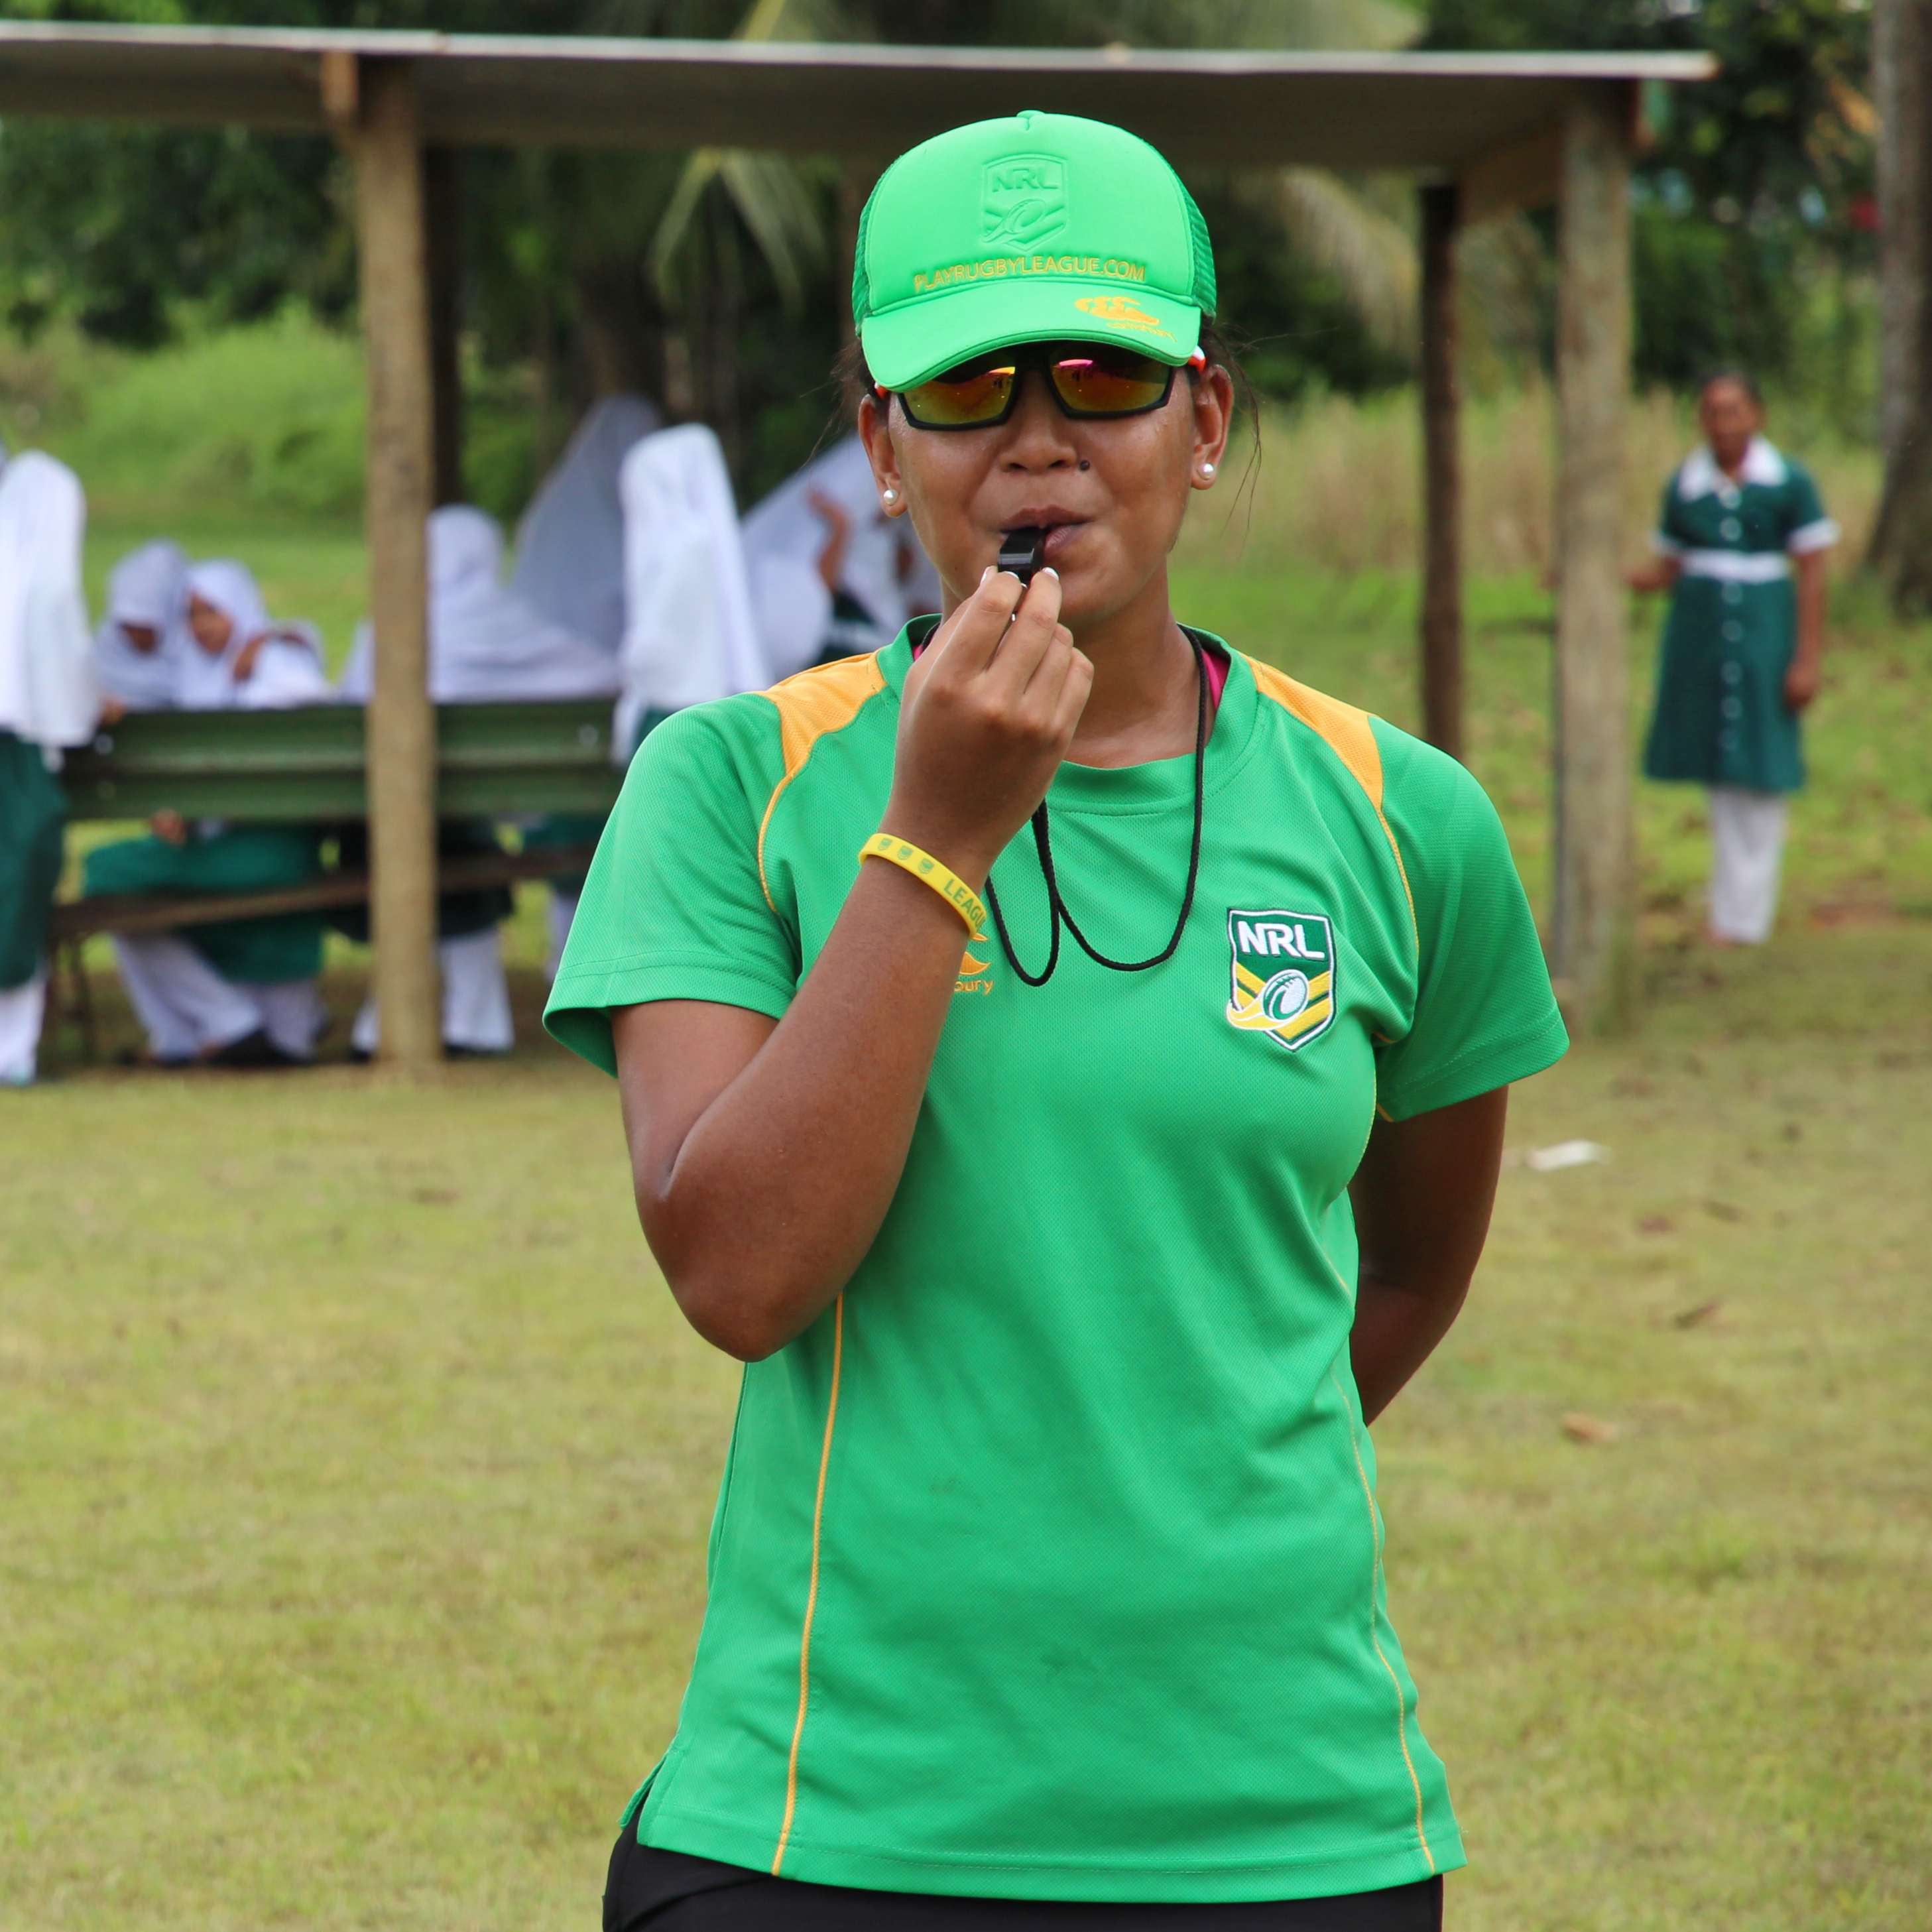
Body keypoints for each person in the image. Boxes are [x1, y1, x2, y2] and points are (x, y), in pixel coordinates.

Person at [549, 112, 1569, 1930]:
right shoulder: (734, 785)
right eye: (967, 383)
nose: (1037, 435)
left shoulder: (1403, 820)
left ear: (1204, 417)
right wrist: (935, 838)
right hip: (836, 1829)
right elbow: (738, 1270)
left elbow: (1406, 1271)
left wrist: (1174, 1497)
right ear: (880, 445)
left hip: (1295, 1829)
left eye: (1101, 371)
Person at [86, 558, 331, 1067]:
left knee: (107, 874)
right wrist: (185, 809)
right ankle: (191, 1034)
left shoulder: (275, 664)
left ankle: (223, 1025)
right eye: (192, 615)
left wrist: (271, 643)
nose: (203, 627)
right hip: (221, 841)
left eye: (213, 612)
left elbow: (310, 701)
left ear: (241, 610)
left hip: (271, 848)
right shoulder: (197, 675)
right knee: (121, 888)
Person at [1632, 372, 1838, 945]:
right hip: (1701, 644)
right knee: (1720, 773)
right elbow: (1666, 571)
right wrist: (1597, 576)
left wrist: (1806, 658)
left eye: (1735, 411)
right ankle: (1731, 913)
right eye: (1713, 413)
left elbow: (1814, 568)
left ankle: (1749, 915)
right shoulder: (1687, 485)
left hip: (1763, 639)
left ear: (1757, 415)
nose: (1724, 424)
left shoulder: (1788, 483)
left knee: (1762, 768)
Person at [0, 451, 97, 1085]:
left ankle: (12, 1053)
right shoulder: (45, 577)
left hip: (22, 734)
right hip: (25, 740)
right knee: (20, 886)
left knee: (18, 888)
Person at [741, 434, 943, 675]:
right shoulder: (872, 544)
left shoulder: (894, 606)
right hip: (821, 641)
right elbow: (822, 586)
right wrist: (840, 528)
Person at [95, 539, 190, 717]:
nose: (135, 637)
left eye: (146, 627)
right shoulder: (105, 653)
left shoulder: (203, 655)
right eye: (126, 626)